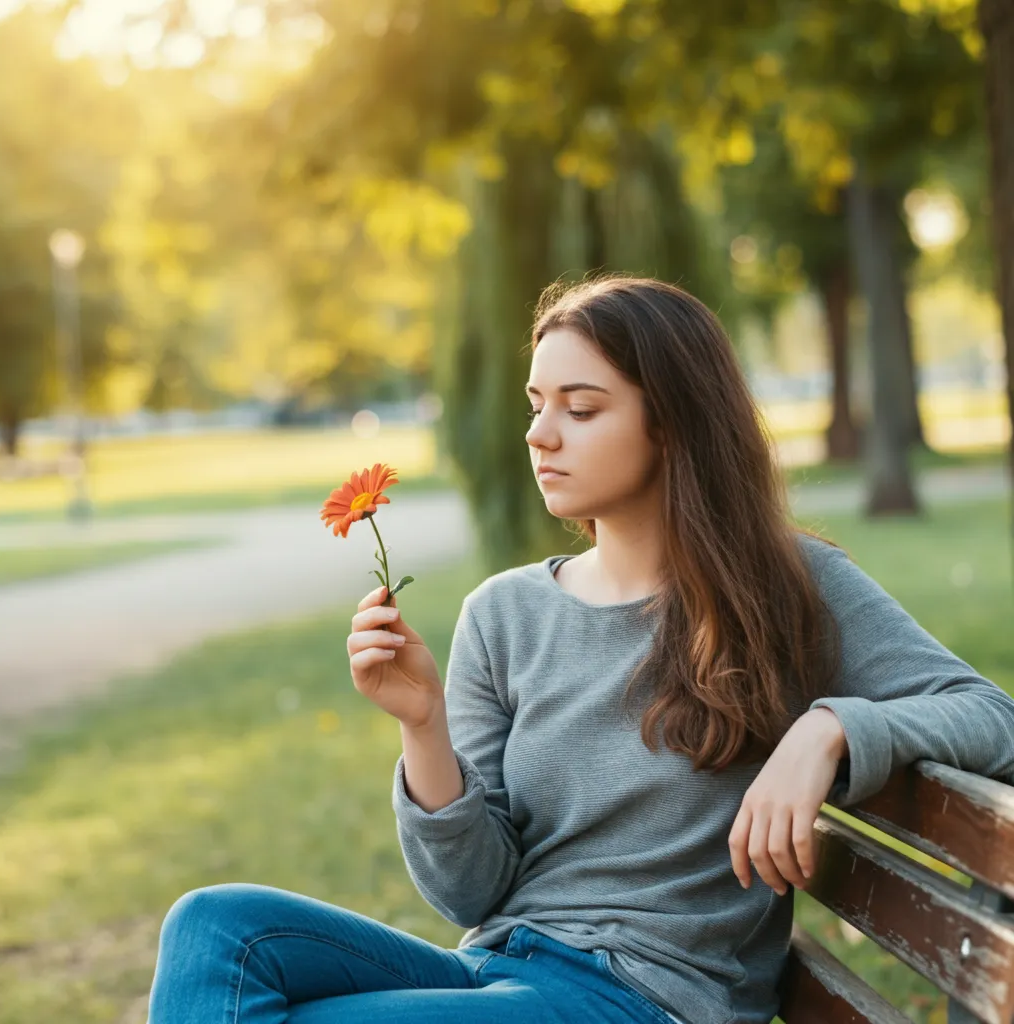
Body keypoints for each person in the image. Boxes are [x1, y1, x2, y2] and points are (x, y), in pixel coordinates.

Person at [146, 275, 1014, 1024]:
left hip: (648, 997)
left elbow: (991, 717)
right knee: (214, 927)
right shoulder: (505, 613)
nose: (539, 435)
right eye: (536, 406)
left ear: (672, 423)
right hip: (502, 970)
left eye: (581, 408)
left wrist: (828, 729)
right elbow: (472, 894)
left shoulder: (789, 585)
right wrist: (423, 728)